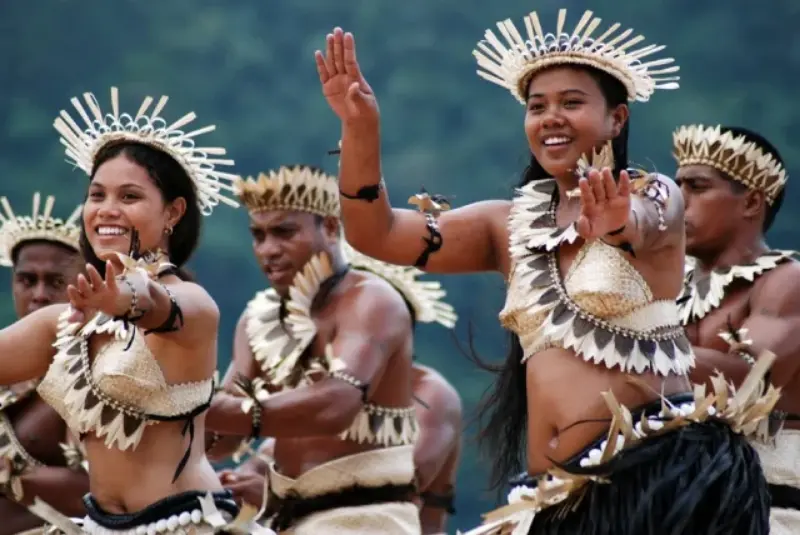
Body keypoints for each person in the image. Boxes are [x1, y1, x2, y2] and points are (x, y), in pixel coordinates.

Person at [316, 9, 778, 534]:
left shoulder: (653, 192)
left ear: (617, 119)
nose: (550, 118)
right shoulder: (505, 224)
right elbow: (375, 235)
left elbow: (646, 223)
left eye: (572, 103)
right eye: (538, 107)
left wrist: (615, 222)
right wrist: (360, 130)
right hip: (553, 496)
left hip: (654, 482)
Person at [0, 87, 269, 533]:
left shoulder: (194, 305)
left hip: (187, 524)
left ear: (173, 212)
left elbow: (158, 306)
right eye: (97, 195)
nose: (106, 210)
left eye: (129, 197)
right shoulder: (66, 321)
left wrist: (125, 300)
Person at [205, 165, 424, 534]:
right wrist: (172, 398)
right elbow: (223, 437)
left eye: (284, 232)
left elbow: (336, 405)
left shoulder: (371, 300)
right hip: (283, 519)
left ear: (331, 228)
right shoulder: (256, 320)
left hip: (369, 520)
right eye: (258, 236)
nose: (268, 250)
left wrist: (225, 412)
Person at [674, 124, 800, 533]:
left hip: (771, 503)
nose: (680, 199)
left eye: (697, 186)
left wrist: (625, 345)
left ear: (750, 202)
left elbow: (751, 381)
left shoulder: (786, 282)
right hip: (679, 496)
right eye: (678, 185)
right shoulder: (668, 286)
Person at [0, 193, 89, 533]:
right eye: (27, 280)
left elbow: (109, 489)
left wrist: (9, 474)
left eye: (54, 282)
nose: (38, 294)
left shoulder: (90, 370)